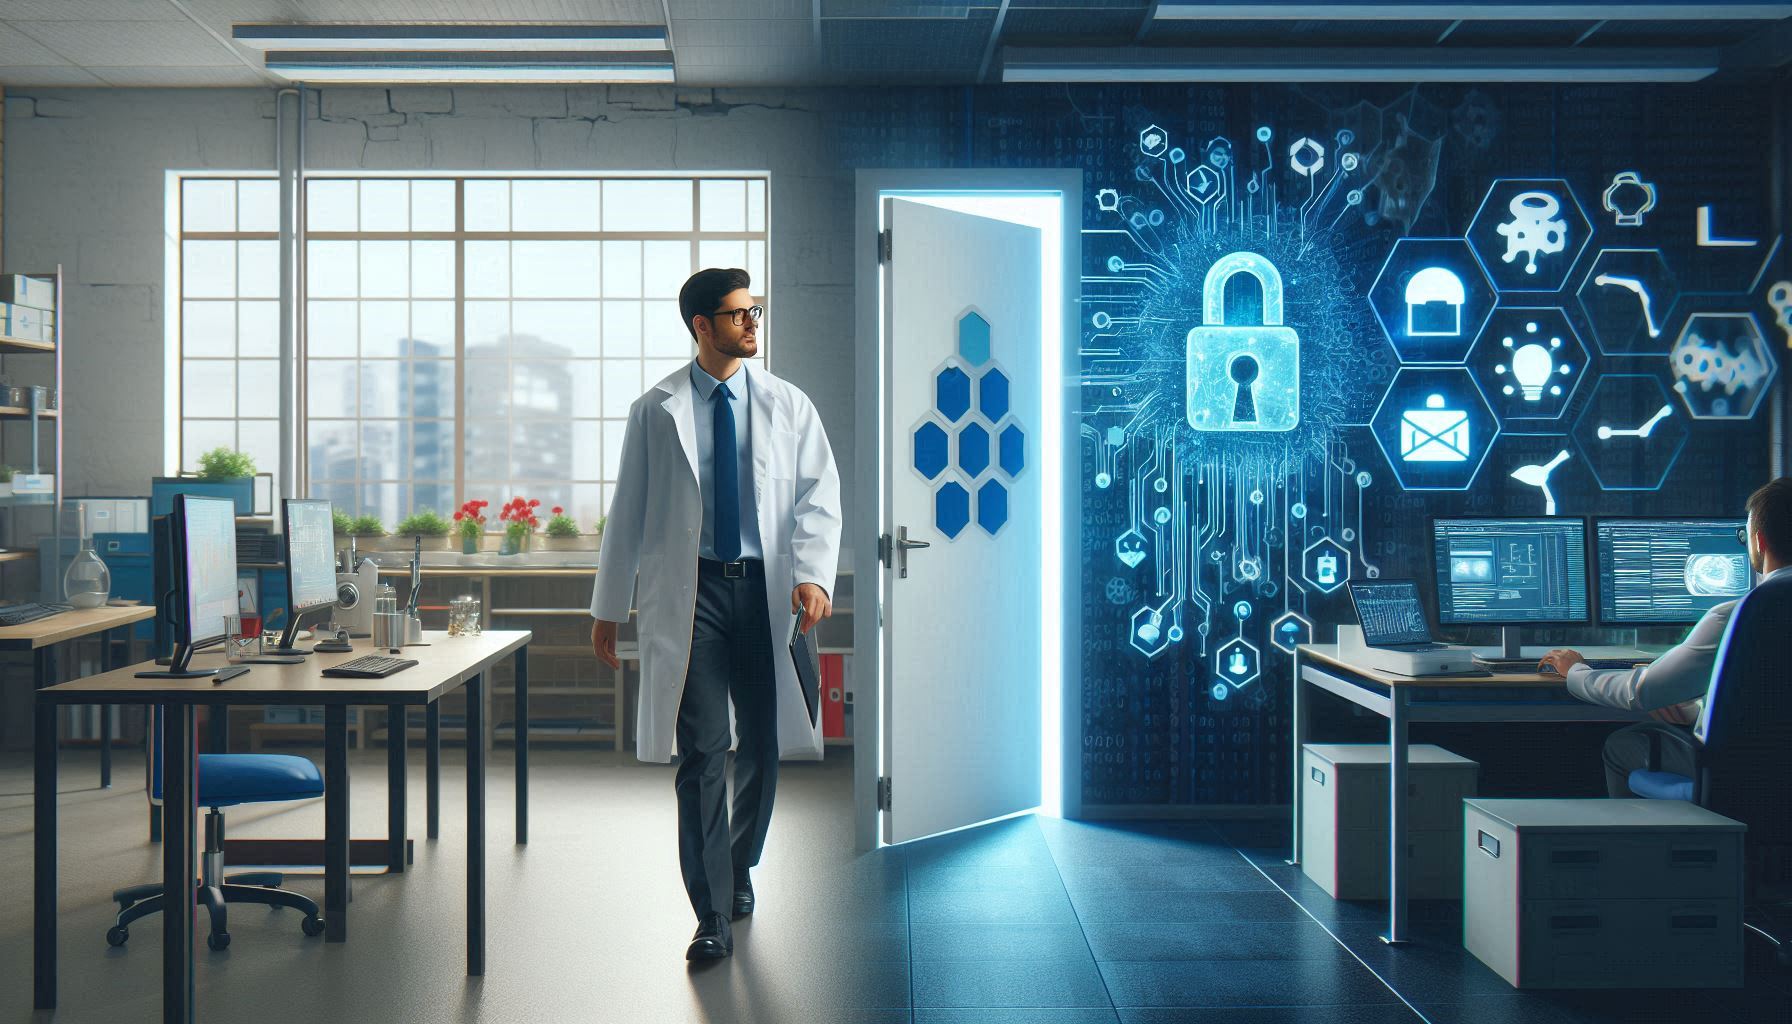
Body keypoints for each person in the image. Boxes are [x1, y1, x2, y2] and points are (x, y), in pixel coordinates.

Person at [588, 268, 842, 960]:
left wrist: (814, 576)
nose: (752, 323)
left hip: (766, 593)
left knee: (761, 743)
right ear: (702, 325)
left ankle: (739, 864)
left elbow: (820, 494)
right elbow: (628, 510)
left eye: (754, 311)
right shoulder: (655, 410)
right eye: (738, 314)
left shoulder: (788, 404)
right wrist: (609, 607)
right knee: (703, 750)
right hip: (690, 596)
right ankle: (711, 915)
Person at [1539, 478, 1792, 797]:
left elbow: (1640, 693)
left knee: (1623, 745)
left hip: (1737, 773)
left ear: (1759, 540)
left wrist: (1575, 670)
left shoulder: (1737, 615)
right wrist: (1698, 707)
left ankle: (1670, 831)